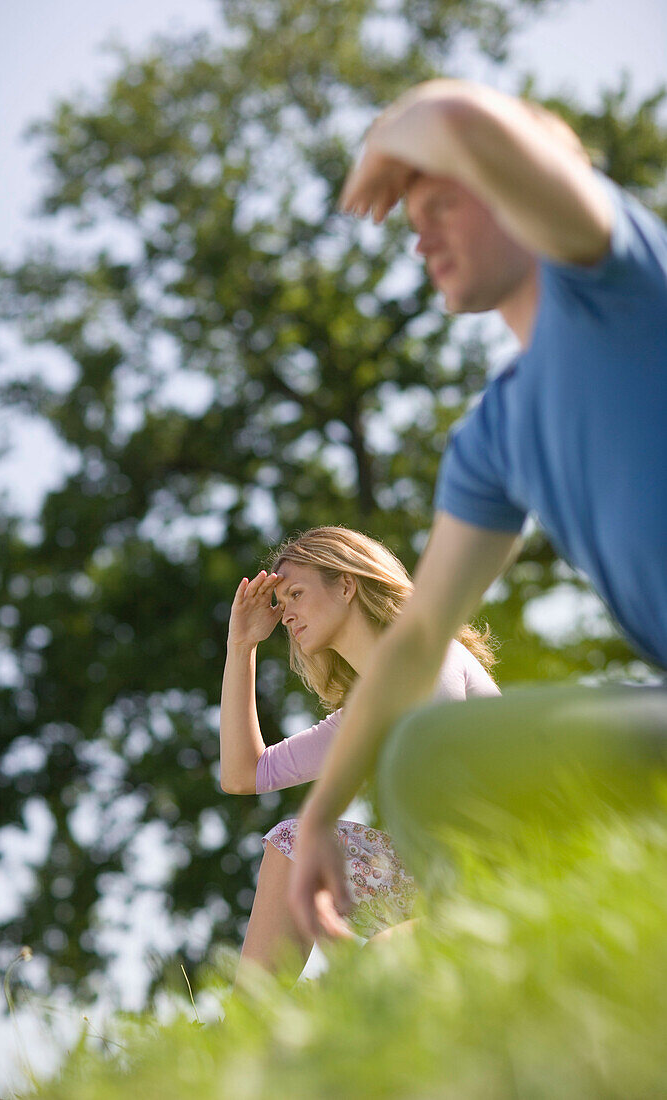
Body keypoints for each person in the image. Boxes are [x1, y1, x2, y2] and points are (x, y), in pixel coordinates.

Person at [287, 79, 667, 945]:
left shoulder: (614, 280)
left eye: (444, 203)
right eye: (412, 212)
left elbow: (462, 120)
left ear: (526, 194)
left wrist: (394, 131)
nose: (417, 233)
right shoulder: (494, 433)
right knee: (437, 759)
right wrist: (317, 822)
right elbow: (418, 635)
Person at [219, 526, 499, 986]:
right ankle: (238, 1039)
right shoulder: (360, 716)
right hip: (434, 881)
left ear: (346, 585)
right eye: (282, 604)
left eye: (295, 593)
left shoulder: (431, 653)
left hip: (504, 870)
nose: (286, 615)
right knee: (288, 843)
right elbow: (242, 774)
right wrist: (241, 646)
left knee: (382, 958)